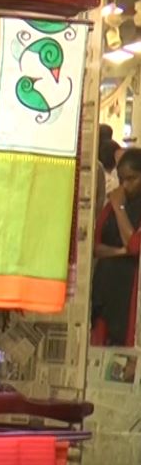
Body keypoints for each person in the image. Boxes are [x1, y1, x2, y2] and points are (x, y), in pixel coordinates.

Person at [92, 148, 141, 347]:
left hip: (129, 290)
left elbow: (135, 245)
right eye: (122, 180)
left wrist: (120, 209)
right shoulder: (111, 205)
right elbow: (95, 247)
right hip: (105, 290)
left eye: (132, 179)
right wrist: (120, 252)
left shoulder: (118, 204)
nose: (125, 186)